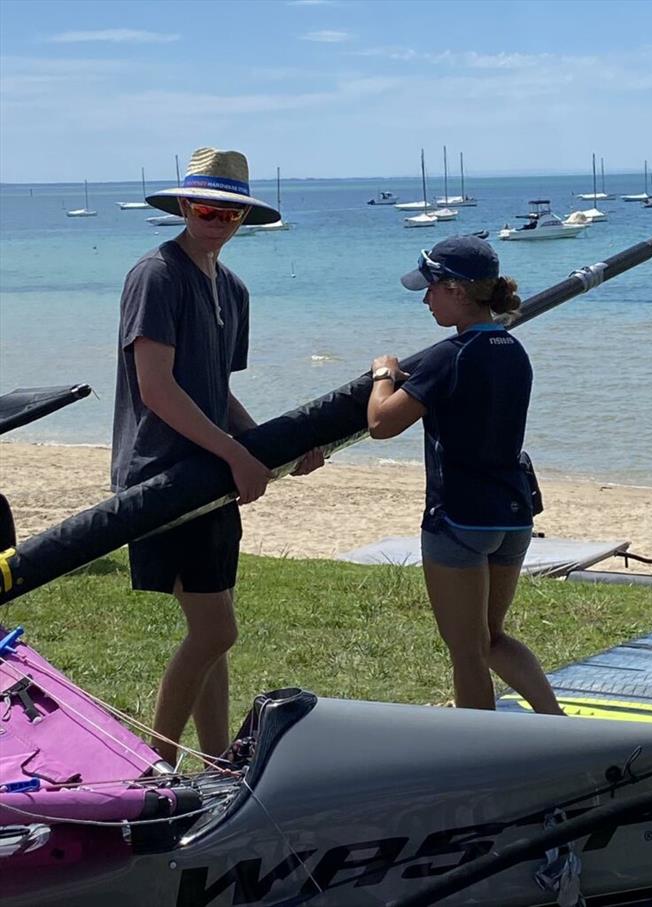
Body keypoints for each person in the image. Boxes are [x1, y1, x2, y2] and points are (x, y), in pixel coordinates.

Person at [111, 147, 322, 766]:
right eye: (206, 206)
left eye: (231, 211)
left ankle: (217, 766)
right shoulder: (156, 274)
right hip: (162, 476)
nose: (217, 218)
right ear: (182, 206)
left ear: (243, 219)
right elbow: (157, 386)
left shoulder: (231, 287)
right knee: (216, 630)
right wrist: (237, 455)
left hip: (211, 471)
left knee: (214, 637)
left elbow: (214, 389)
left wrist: (269, 450)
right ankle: (159, 768)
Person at [367, 236, 564, 714]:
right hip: (511, 514)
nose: (425, 298)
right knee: (491, 637)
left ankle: (481, 751)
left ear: (455, 289)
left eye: (431, 288)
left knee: (467, 649)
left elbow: (381, 423)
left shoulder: (446, 356)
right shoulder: (512, 350)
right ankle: (556, 721)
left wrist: (383, 374)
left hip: (458, 519)